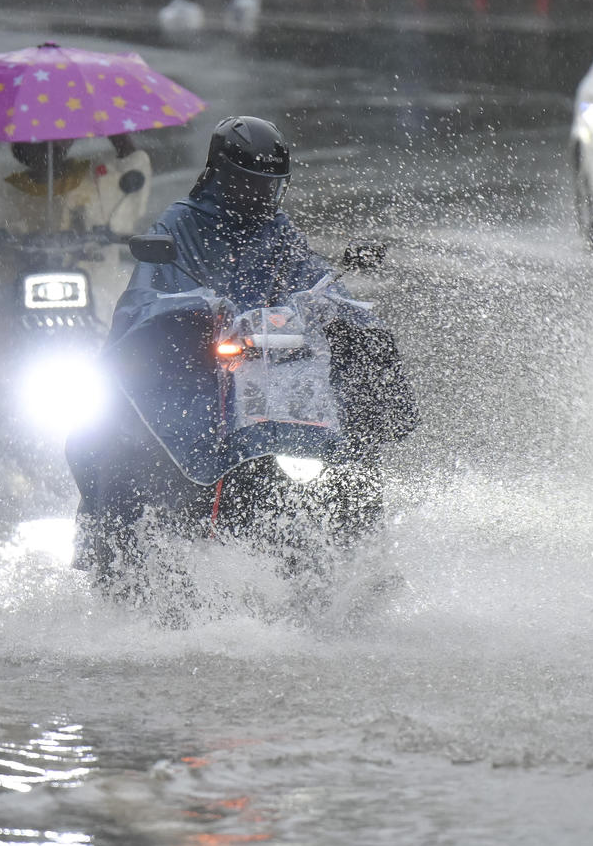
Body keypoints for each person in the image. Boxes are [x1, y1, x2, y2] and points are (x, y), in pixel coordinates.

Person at [65, 116, 418, 572]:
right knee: (121, 435)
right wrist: (194, 312)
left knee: (352, 439)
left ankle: (365, 555)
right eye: (250, 184)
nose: (260, 196)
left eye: (270, 187)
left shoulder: (279, 230)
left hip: (275, 371)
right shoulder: (180, 224)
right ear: (222, 176)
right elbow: (146, 297)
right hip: (197, 372)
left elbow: (313, 280)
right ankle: (123, 551)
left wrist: (340, 309)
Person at [0, 134, 153, 326]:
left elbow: (131, 166)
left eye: (56, 139)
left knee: (118, 306)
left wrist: (116, 132)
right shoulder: (2, 186)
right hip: (17, 280)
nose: (47, 147)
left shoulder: (93, 179)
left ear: (69, 141)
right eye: (36, 140)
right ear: (19, 145)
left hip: (87, 276)